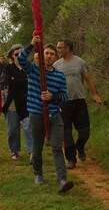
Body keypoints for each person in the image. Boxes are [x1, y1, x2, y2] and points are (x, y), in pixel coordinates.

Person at [18, 35, 74, 194]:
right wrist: (30, 45)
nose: (49, 56)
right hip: (36, 114)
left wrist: (53, 97)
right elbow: (21, 60)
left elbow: (64, 97)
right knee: (37, 148)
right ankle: (38, 174)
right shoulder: (34, 70)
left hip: (54, 115)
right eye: (46, 53)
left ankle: (62, 180)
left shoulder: (59, 76)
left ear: (56, 57)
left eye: (52, 54)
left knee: (57, 147)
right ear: (41, 55)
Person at [55, 39, 103, 169]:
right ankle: (71, 159)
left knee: (84, 131)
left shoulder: (80, 62)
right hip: (64, 103)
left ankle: (80, 147)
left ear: (68, 48)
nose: (58, 50)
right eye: (57, 47)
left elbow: (88, 79)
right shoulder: (56, 65)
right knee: (67, 132)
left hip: (79, 101)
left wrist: (94, 94)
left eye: (61, 47)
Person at [1, 44, 31, 160]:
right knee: (13, 129)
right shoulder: (8, 68)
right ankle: (14, 151)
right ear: (12, 56)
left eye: (21, 54)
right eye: (16, 54)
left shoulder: (29, 67)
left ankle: (31, 151)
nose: (19, 56)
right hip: (12, 102)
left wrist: (16, 80)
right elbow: (5, 85)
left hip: (28, 101)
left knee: (28, 127)